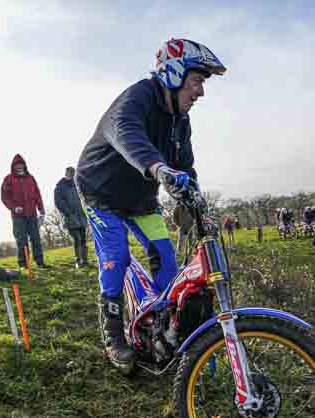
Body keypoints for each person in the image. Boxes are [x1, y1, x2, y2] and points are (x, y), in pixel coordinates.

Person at [75, 38, 226, 372]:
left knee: (167, 261)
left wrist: (197, 204)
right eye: (197, 81)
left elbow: (185, 166)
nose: (201, 92)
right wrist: (159, 169)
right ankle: (114, 338)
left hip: (141, 201)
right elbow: (126, 132)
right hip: (101, 193)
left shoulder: (180, 121)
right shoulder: (138, 97)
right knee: (116, 258)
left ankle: (169, 333)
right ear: (174, 74)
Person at [1, 154, 49, 269]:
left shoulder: (30, 178)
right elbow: (4, 197)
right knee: (21, 240)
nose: (19, 167)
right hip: (18, 216)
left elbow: (37, 194)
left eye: (21, 164)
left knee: (36, 238)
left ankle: (40, 261)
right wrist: (13, 207)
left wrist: (41, 209)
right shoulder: (8, 179)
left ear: (24, 165)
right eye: (16, 165)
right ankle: (24, 264)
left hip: (32, 214)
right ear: (13, 166)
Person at [54, 166, 89, 268]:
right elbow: (58, 202)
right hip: (70, 217)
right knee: (76, 238)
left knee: (83, 238)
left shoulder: (78, 185)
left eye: (73, 173)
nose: (72, 174)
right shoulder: (59, 187)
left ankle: (85, 261)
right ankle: (78, 261)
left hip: (81, 215)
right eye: (70, 173)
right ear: (66, 173)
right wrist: (68, 213)